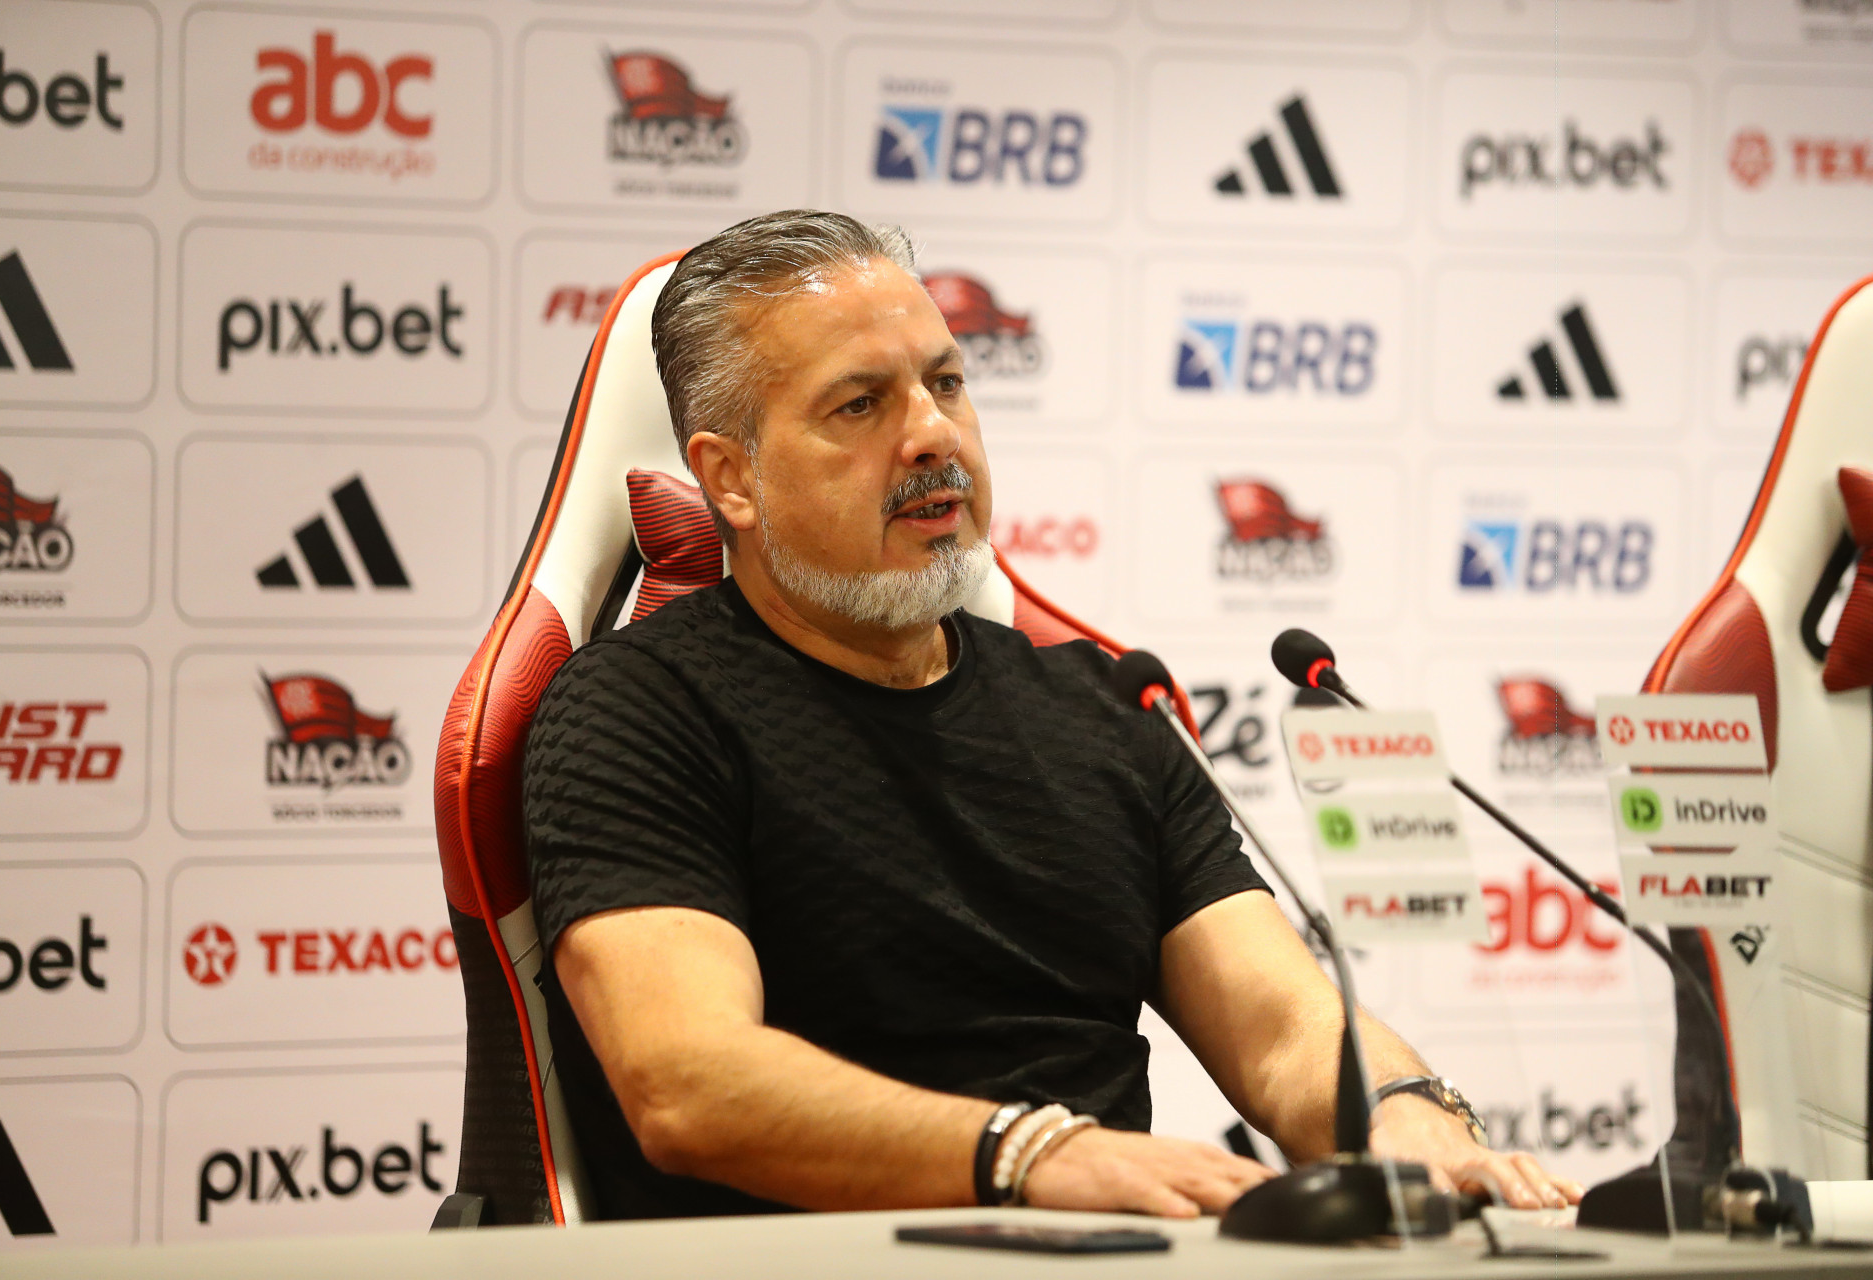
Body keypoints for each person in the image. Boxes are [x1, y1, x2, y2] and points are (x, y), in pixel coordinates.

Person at [522, 209, 1584, 1221]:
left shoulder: (1105, 710)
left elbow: (1284, 1029)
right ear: (731, 479)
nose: (931, 434)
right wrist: (1035, 1154)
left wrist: (1404, 1111)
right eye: (860, 405)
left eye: (945, 383)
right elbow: (689, 1082)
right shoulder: (638, 712)